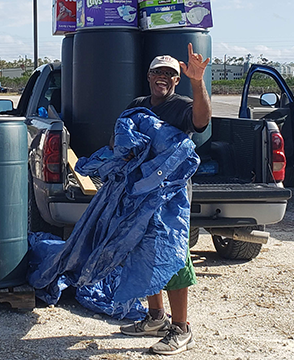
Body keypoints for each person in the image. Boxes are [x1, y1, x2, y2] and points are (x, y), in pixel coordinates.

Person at [120, 42, 211, 356]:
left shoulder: (182, 105)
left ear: (176, 81)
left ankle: (181, 328)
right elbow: (122, 138)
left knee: (173, 257)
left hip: (171, 198)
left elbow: (201, 121)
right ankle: (156, 317)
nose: (163, 77)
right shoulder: (138, 104)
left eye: (170, 74)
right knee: (145, 252)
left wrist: (197, 83)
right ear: (148, 76)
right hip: (142, 193)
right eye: (158, 71)